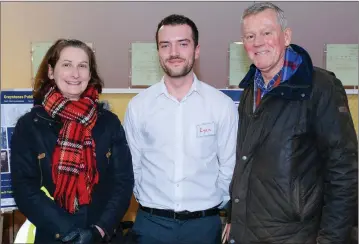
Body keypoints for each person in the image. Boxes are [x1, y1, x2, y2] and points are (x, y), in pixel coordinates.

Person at [224, 2, 358, 244]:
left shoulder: (320, 87)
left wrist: (331, 239)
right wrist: (234, 218)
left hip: (298, 235)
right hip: (249, 232)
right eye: (250, 36)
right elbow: (245, 161)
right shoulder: (250, 90)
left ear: (286, 37)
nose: (258, 42)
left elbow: (344, 173)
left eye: (267, 32)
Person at [124, 14, 238, 244]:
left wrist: (216, 206)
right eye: (165, 45)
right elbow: (132, 165)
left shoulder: (221, 105)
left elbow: (229, 165)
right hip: (151, 225)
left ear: (196, 50)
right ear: (158, 51)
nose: (173, 52)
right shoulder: (139, 106)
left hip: (204, 227)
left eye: (182, 44)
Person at [10, 39, 134, 244]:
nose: (75, 74)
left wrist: (98, 231)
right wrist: (67, 231)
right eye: (66, 65)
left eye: (82, 66)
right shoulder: (29, 126)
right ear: (51, 71)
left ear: (90, 73)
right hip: (53, 235)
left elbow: (123, 182)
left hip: (104, 236)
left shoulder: (108, 122)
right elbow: (24, 188)